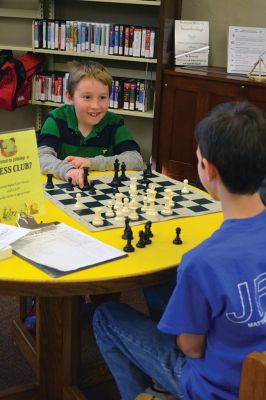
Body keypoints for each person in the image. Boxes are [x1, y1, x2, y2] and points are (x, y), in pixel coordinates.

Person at [92, 102, 266, 400]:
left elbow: (190, 347)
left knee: (106, 317)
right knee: (162, 285)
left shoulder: (203, 261)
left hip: (215, 389)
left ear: (208, 170)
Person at [37, 60, 143, 188]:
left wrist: (92, 163)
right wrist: (68, 170)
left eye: (102, 97)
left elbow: (136, 160)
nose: (95, 106)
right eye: (87, 97)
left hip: (101, 192)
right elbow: (41, 157)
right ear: (70, 97)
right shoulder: (56, 119)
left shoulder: (114, 123)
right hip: (61, 189)